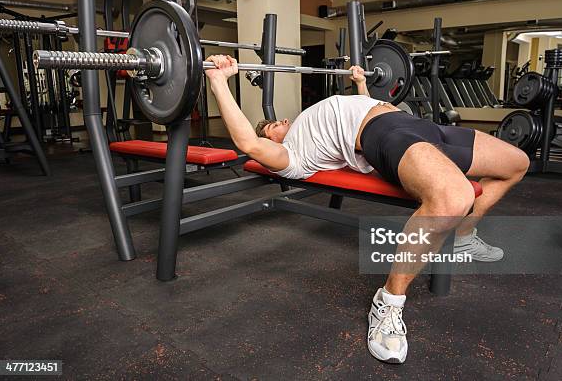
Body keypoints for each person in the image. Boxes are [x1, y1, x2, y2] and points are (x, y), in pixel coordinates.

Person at [206, 55, 530, 364]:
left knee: (517, 163)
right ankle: (388, 302)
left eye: (280, 119)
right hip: (386, 134)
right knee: (454, 198)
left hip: (412, 122)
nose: (282, 122)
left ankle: (462, 234)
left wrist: (361, 83)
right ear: (273, 142)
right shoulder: (292, 157)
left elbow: (357, 107)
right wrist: (218, 80)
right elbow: (248, 143)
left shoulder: (304, 120)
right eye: (274, 126)